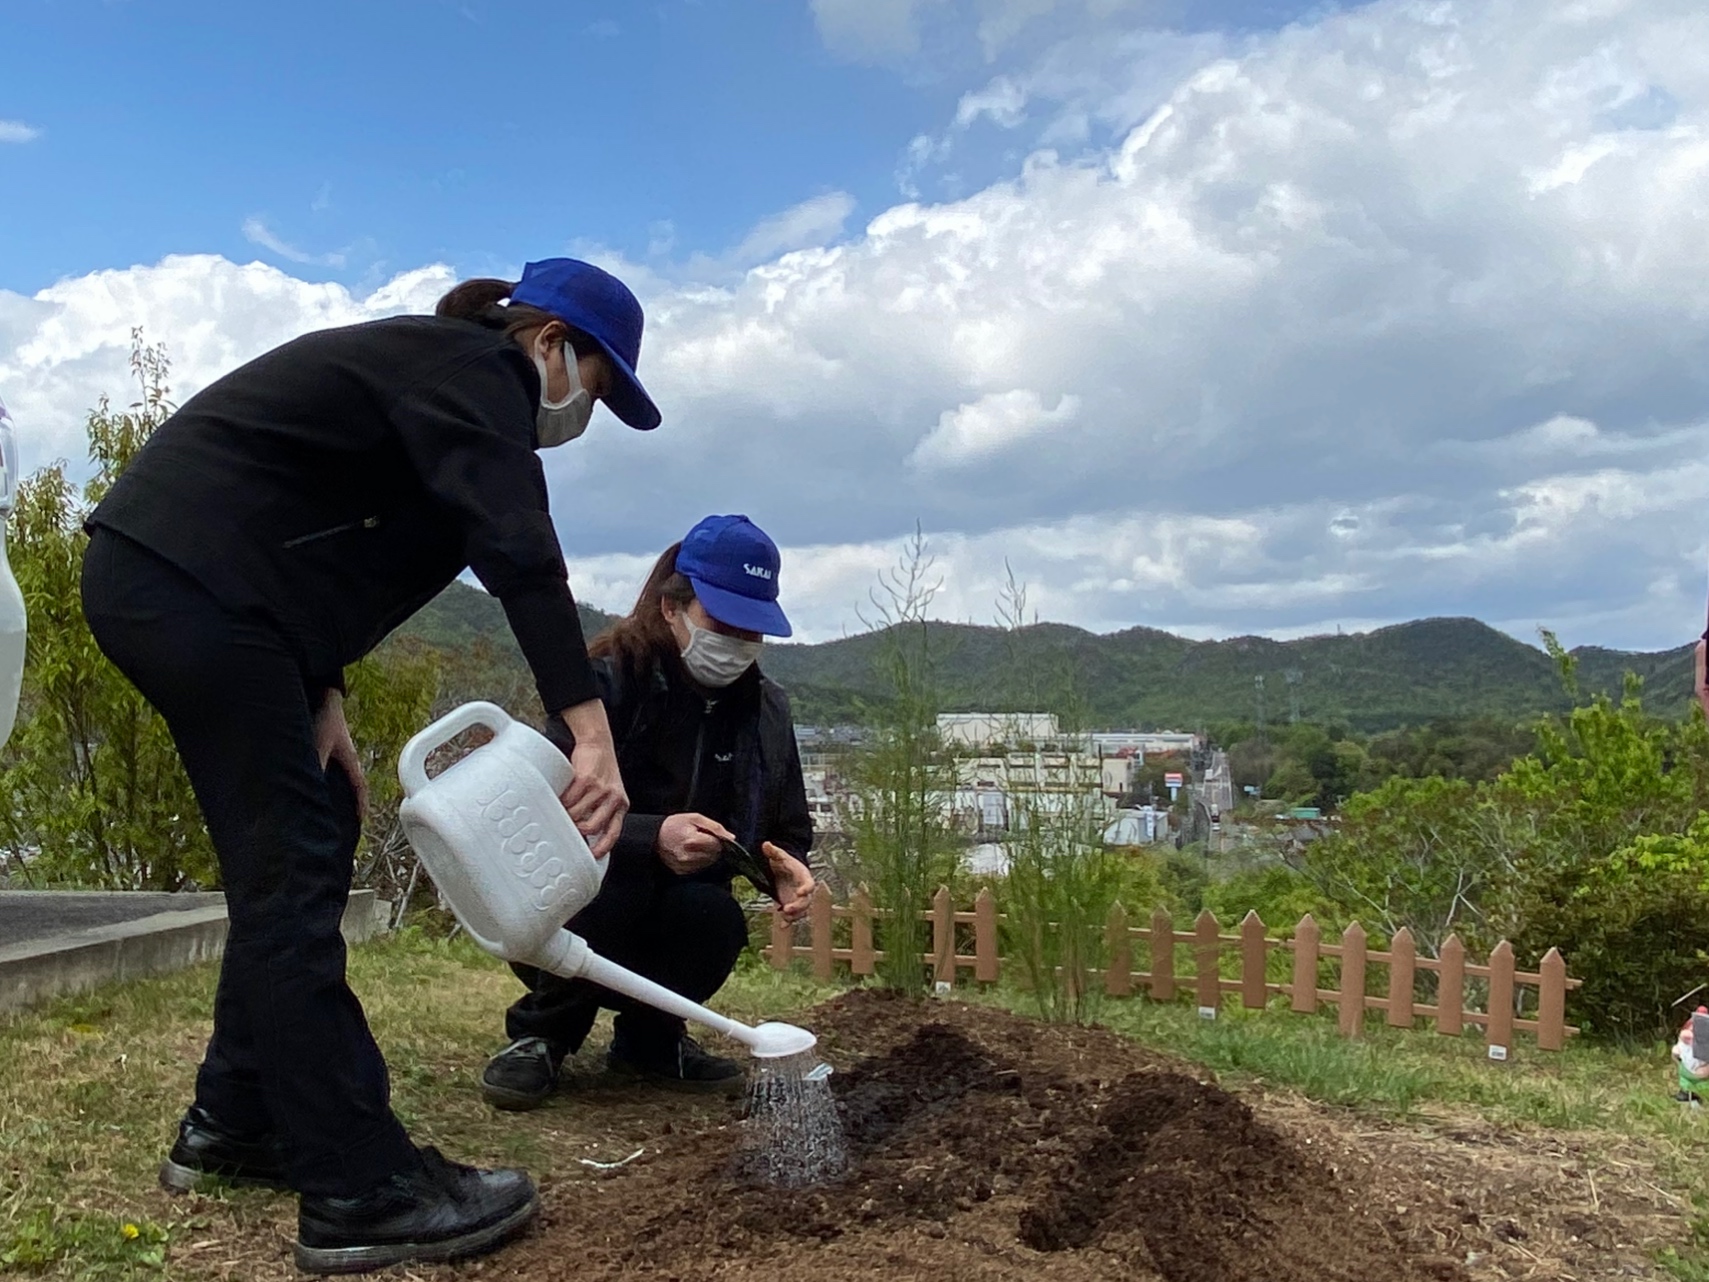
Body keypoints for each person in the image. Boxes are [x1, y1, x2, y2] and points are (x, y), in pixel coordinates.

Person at [79, 258, 656, 1274]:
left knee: (318, 824)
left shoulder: (428, 382)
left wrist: (325, 697)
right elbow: (520, 551)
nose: (586, 412)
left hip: (201, 586)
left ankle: (236, 1115)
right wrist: (588, 729)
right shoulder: (478, 371)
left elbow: (315, 543)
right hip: (184, 581)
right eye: (600, 385)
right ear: (551, 344)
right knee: (289, 873)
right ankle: (357, 1185)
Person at [481, 514, 816, 1110]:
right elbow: (541, 805)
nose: (737, 642)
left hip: (685, 900)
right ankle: (542, 1033)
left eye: (752, 630)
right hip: (581, 891)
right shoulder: (608, 682)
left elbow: (787, 826)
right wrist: (649, 836)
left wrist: (782, 867)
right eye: (723, 623)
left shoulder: (765, 710)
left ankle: (652, 1037)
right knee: (609, 892)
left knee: (715, 920)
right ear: (672, 607)